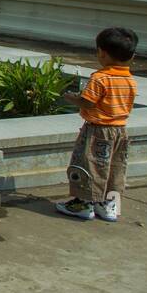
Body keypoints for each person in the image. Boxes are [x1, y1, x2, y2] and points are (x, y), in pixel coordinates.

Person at [56, 27, 138, 222]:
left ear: (102, 53)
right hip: (120, 131)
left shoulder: (100, 78)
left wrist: (72, 98)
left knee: (88, 165)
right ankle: (108, 204)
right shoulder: (130, 80)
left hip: (97, 130)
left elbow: (88, 102)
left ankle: (84, 203)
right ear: (132, 56)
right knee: (114, 167)